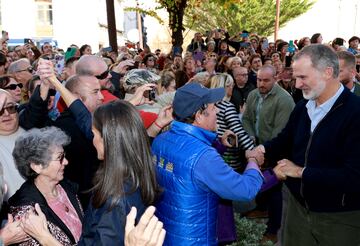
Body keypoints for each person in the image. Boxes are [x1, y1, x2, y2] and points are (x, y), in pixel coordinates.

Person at [264, 44, 360, 246]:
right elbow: (284, 141)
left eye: (303, 77)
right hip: (297, 212)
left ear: (327, 72)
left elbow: (354, 176)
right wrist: (260, 151)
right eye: (296, 77)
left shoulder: (355, 113)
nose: (297, 84)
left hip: (339, 219)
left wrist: (301, 172)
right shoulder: (302, 107)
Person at [152, 83, 264, 245]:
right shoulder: (203, 155)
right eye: (213, 108)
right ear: (198, 115)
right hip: (195, 240)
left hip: (166, 234)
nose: (217, 111)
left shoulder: (161, 140)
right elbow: (244, 189)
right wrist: (253, 161)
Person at [242, 65, 295, 242]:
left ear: (275, 78)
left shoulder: (284, 100)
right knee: (260, 179)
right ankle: (261, 208)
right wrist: (251, 141)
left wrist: (264, 153)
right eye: (259, 79)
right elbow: (248, 119)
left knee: (274, 189)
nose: (261, 84)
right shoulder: (253, 94)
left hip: (276, 150)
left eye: (266, 80)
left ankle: (273, 229)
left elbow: (281, 134)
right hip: (258, 147)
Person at [8, 127, 84, 245]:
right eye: (60, 158)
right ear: (37, 166)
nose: (66, 162)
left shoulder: (66, 187)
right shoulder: (27, 212)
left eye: (64, 155)